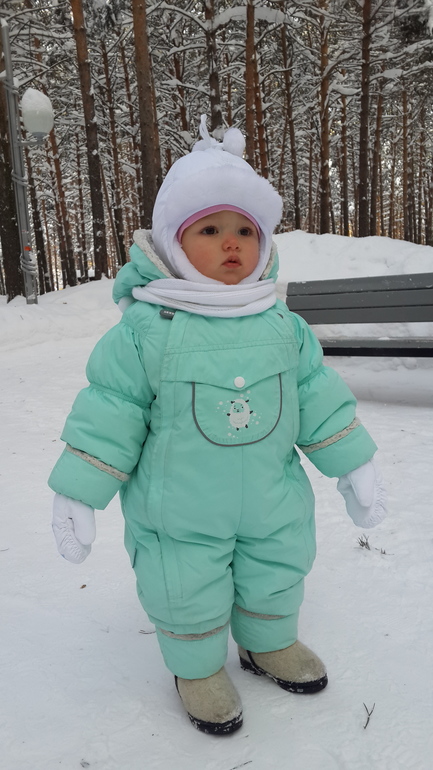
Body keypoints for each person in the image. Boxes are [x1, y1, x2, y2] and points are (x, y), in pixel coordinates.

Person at [49, 116, 386, 736]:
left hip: (273, 499)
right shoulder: (149, 328)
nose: (232, 244)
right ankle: (197, 669)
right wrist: (79, 489)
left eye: (244, 230)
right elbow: (110, 410)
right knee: (186, 584)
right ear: (174, 244)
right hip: (181, 510)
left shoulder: (281, 324)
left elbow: (316, 395)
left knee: (277, 566)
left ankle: (267, 642)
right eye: (210, 229)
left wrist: (353, 463)